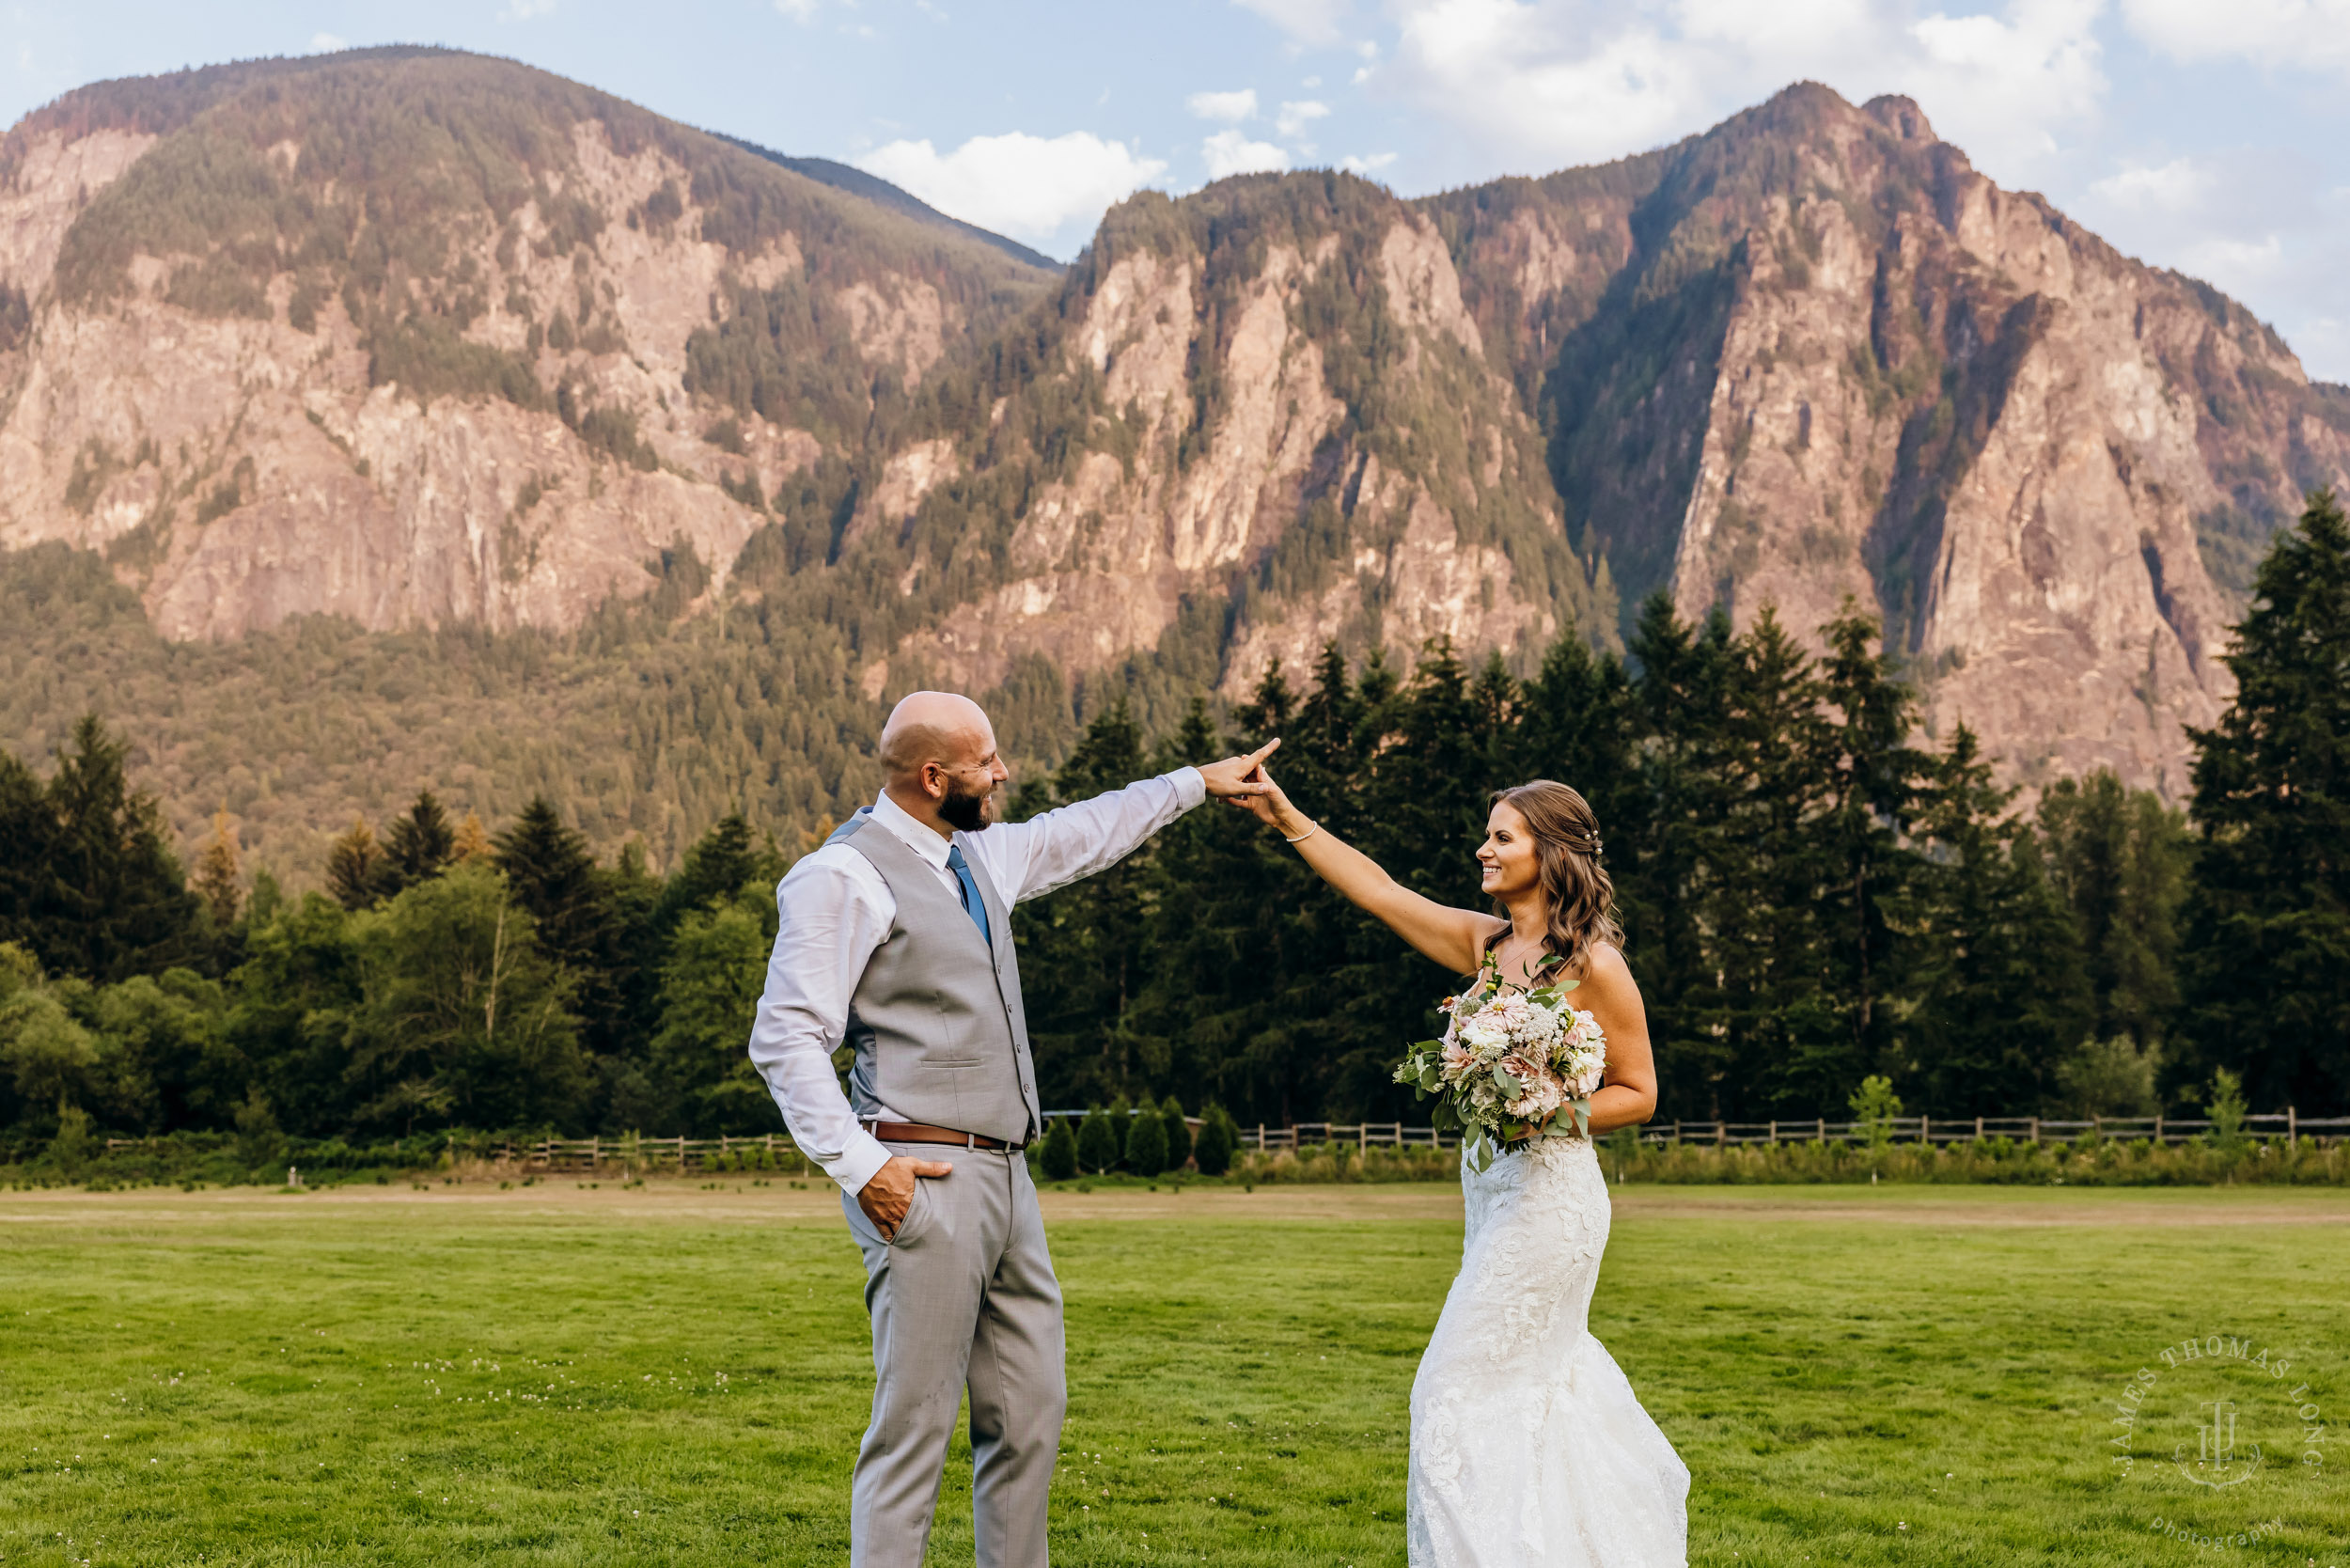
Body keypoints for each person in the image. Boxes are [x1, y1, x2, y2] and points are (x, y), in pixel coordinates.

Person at [745, 690, 1277, 1568]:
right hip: (919, 1180)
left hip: (1006, 1180)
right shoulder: (841, 876)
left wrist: (1197, 782)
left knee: (1030, 1414)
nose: (1003, 774)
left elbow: (1089, 829)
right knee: (912, 1434)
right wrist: (863, 1167)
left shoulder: (980, 859)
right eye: (986, 762)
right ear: (932, 776)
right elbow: (787, 1037)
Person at [1231, 772, 1690, 1567]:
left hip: (1552, 1206)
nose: (1483, 847)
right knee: (1526, 1398)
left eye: (1502, 836)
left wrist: (1543, 1108)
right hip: (1491, 1197)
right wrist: (1286, 816)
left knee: (1449, 1391)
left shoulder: (1596, 965)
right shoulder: (1485, 949)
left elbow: (1640, 1093)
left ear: (1550, 855)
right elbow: (1379, 890)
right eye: (1489, 833)